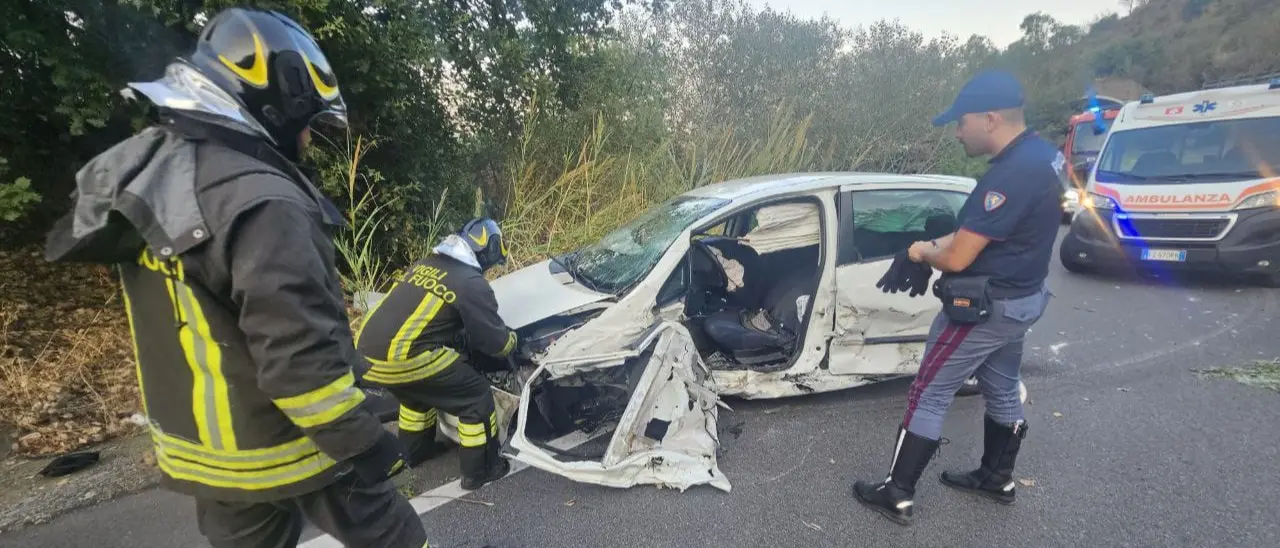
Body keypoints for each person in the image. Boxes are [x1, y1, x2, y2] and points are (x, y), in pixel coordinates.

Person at [43, 7, 429, 547]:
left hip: (211, 455)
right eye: (306, 126)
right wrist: (366, 444)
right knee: (396, 537)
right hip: (289, 440)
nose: (308, 143)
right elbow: (301, 362)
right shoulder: (264, 203)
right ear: (277, 107)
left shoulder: (162, 177)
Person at [850, 70, 1063, 525]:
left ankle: (897, 492)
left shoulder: (1010, 176)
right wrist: (935, 245)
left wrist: (921, 250)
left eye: (960, 122)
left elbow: (960, 257)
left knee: (928, 391)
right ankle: (996, 478)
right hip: (1021, 301)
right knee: (1002, 386)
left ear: (989, 118)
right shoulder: (1040, 160)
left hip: (985, 310)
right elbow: (979, 234)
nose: (957, 131)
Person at [354, 218, 516, 491]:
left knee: (418, 395)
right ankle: (481, 470)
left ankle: (414, 451)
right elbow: (495, 343)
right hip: (404, 358)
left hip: (366, 354)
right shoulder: (471, 283)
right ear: (487, 250)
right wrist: (513, 341)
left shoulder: (426, 264)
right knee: (475, 397)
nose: (488, 271)